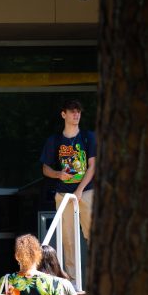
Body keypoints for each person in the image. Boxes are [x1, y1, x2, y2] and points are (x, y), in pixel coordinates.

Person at [40, 98, 97, 284]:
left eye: (79, 112)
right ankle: (73, 281)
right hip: (63, 194)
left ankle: (98, 279)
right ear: (63, 114)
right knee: (69, 240)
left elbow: (92, 166)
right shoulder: (54, 140)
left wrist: (80, 190)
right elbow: (45, 168)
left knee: (94, 234)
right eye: (72, 111)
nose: (76, 115)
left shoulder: (88, 137)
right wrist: (58, 174)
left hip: (87, 192)